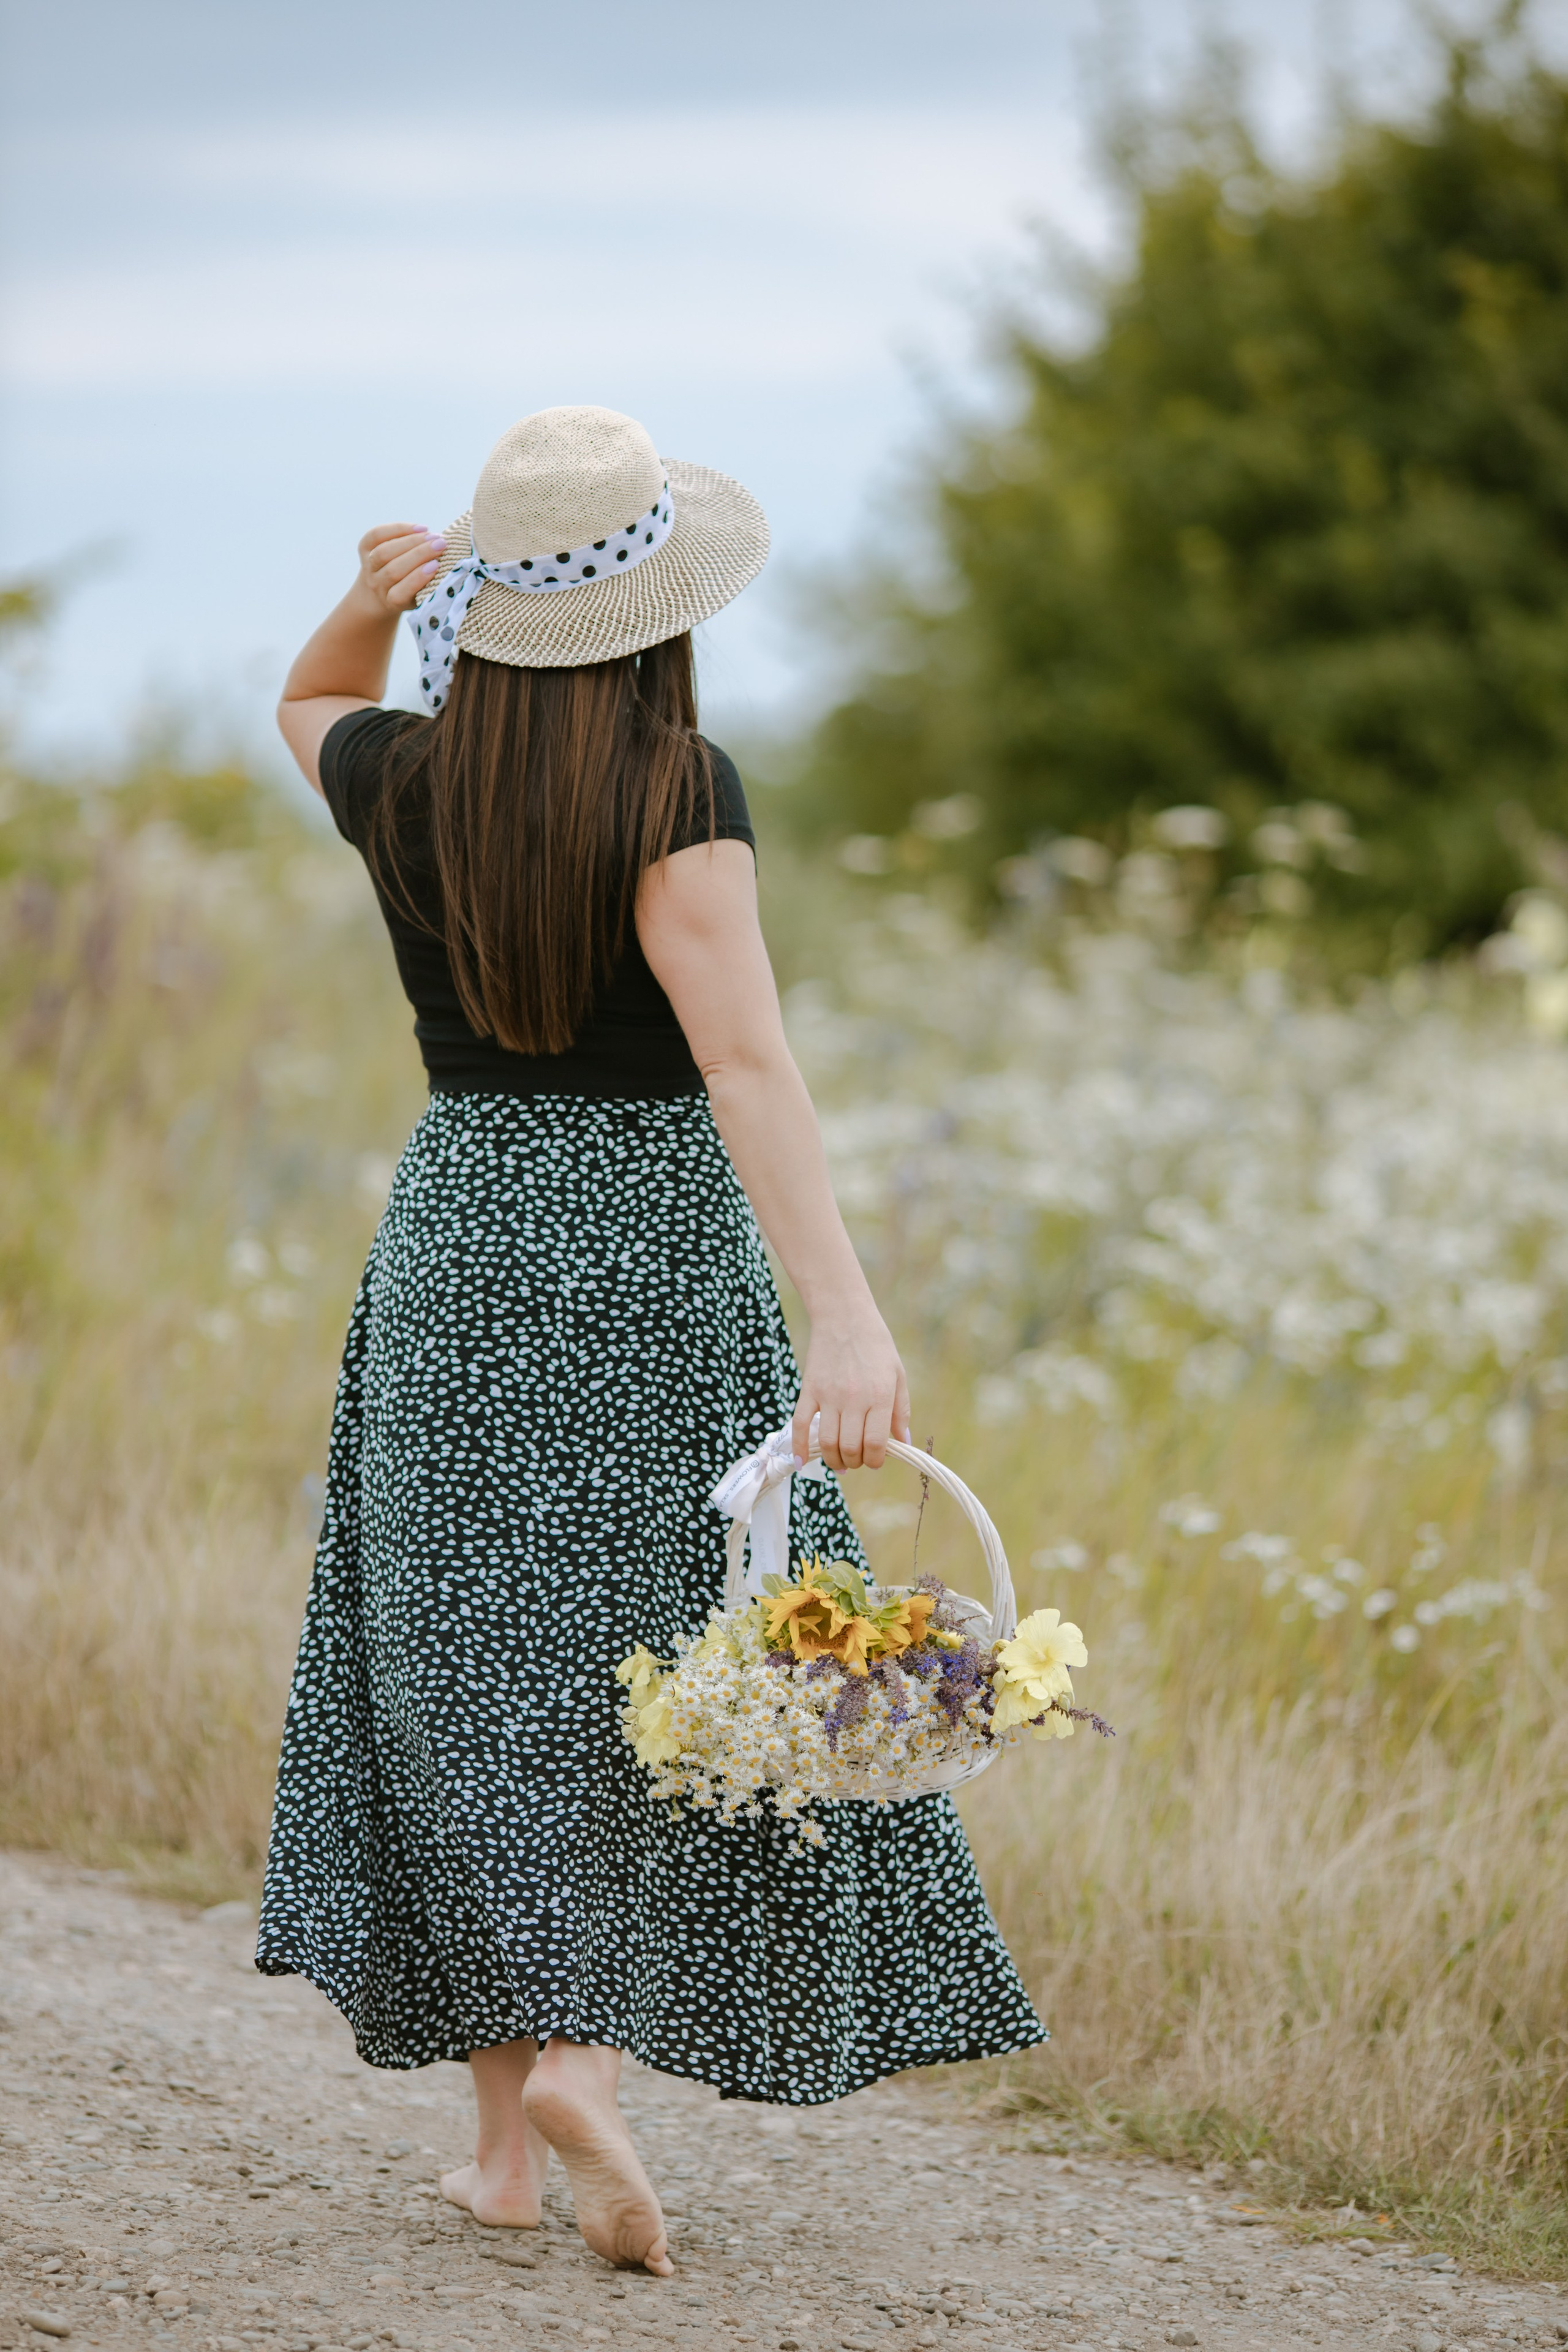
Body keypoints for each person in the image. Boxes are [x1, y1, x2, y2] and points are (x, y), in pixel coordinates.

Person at [257, 405, 1046, 2275]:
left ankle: (503, 2156)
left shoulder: (403, 775)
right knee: (679, 1651)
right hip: (653, 1252)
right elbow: (744, 1064)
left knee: (473, 1680)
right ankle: (581, 2069)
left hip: (462, 1239)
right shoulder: (678, 789)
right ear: (657, 612)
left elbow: (306, 698)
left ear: (489, 601)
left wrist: (372, 602)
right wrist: (845, 1315)